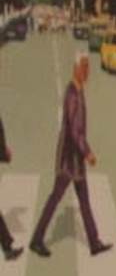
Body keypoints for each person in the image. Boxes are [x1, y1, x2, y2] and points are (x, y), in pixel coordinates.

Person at [24, 52, 108, 258]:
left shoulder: (79, 90)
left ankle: (94, 242)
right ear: (76, 68)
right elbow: (73, 129)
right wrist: (87, 152)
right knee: (55, 197)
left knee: (84, 199)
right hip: (69, 158)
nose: (88, 72)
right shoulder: (72, 93)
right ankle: (36, 240)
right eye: (85, 67)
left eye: (88, 67)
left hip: (76, 158)